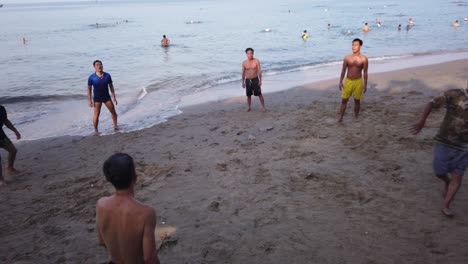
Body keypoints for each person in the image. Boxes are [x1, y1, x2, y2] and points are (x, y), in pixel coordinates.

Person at [410, 81, 468, 217]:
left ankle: (446, 205)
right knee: (439, 171)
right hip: (445, 141)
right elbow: (431, 103)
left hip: (465, 146)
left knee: (458, 177)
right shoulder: (454, 94)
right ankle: (446, 182)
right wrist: (422, 121)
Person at [96, 153, 161, 264]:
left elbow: (102, 241)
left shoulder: (100, 204)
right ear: (135, 178)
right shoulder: (146, 213)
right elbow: (149, 258)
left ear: (108, 179)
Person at [337, 38, 368, 122]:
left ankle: (355, 115)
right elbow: (343, 70)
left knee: (357, 100)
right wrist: (340, 81)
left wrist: (365, 84)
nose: (353, 47)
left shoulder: (364, 59)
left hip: (358, 81)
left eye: (356, 45)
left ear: (360, 46)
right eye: (353, 45)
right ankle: (340, 117)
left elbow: (365, 72)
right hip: (348, 81)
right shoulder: (347, 58)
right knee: (344, 100)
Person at [87, 60, 118, 134]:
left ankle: (115, 126)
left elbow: (111, 86)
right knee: (96, 114)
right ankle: (96, 130)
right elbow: (89, 89)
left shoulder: (107, 75)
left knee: (113, 112)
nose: (99, 66)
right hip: (97, 98)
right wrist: (90, 100)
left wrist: (114, 97)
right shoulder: (91, 77)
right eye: (97, 65)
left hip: (107, 97)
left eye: (100, 64)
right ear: (94, 67)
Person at [0, 105, 21, 186]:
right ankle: (1, 180)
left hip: (1, 135)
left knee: (13, 150)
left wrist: (15, 131)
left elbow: (5, 121)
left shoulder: (1, 108)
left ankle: (10, 168)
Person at [242, 48, 265, 112]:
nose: (250, 55)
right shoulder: (244, 63)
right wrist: (243, 82)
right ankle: (249, 107)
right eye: (248, 53)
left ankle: (263, 106)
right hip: (248, 80)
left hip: (255, 79)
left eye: (251, 53)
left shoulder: (256, 61)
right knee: (248, 95)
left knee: (259, 94)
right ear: (246, 54)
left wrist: (260, 80)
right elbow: (243, 73)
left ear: (253, 53)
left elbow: (259, 71)